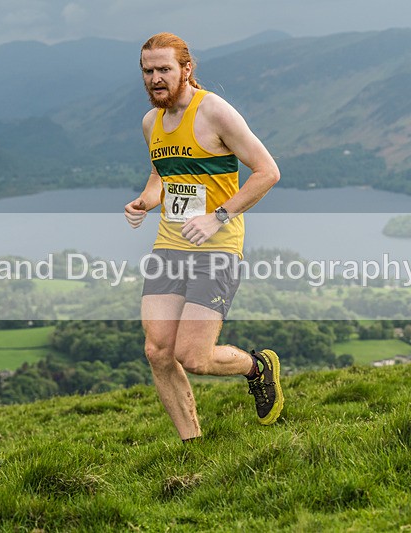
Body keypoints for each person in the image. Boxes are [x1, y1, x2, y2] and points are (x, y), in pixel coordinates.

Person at [124, 32, 282, 441]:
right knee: (157, 350)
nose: (155, 78)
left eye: (164, 69)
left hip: (217, 248)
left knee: (192, 356)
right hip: (170, 245)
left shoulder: (214, 112)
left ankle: (256, 366)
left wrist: (219, 216)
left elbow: (267, 171)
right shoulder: (151, 122)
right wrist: (145, 200)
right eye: (148, 71)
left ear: (186, 69)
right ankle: (192, 444)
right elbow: (163, 173)